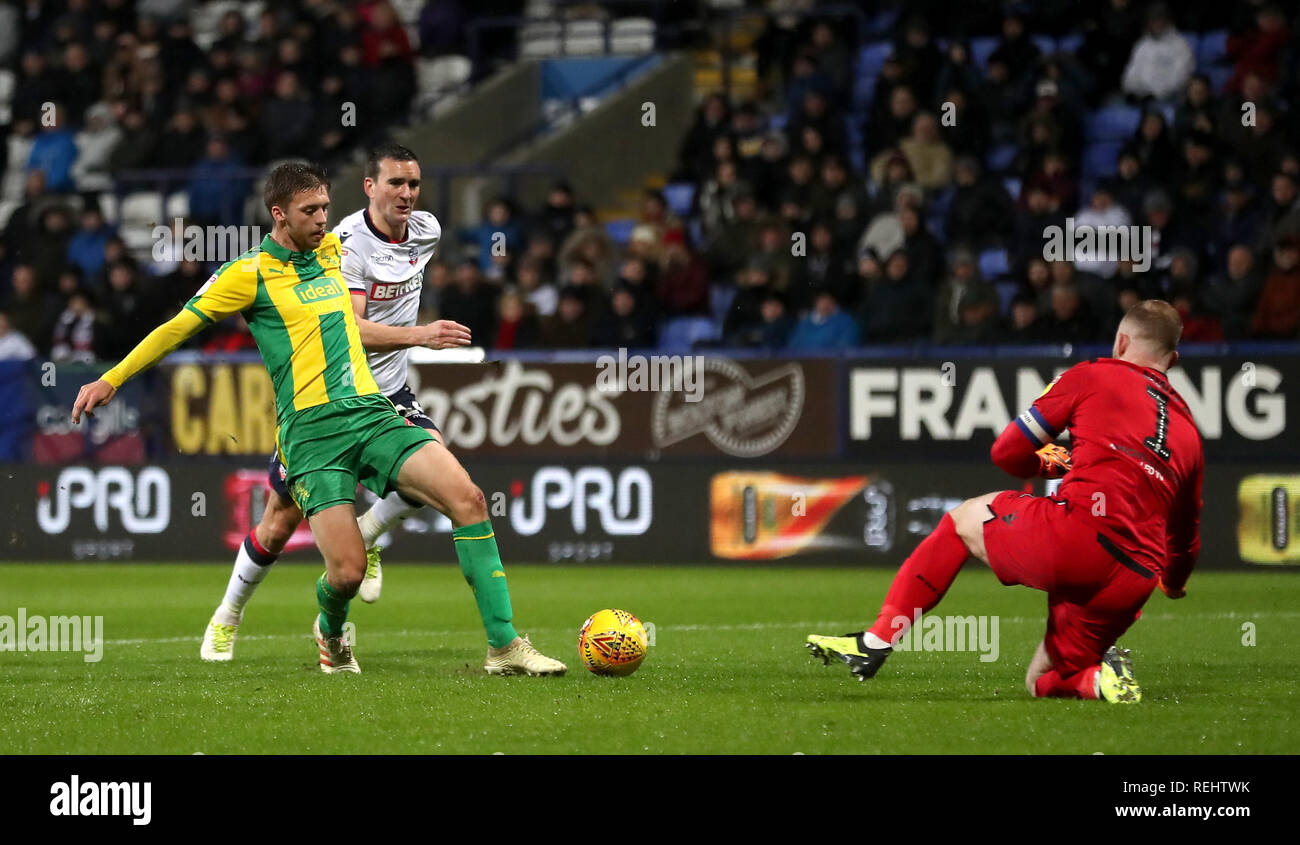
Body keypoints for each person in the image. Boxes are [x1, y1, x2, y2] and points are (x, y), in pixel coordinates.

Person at [72, 158, 566, 677]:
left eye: (327, 207)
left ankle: (504, 646)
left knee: (466, 498)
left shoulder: (334, 249)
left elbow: (375, 232)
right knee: (346, 571)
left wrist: (398, 202)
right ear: (279, 214)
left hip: (371, 411)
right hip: (312, 435)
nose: (323, 219)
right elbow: (175, 329)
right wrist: (112, 379)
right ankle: (327, 633)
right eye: (311, 211)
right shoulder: (247, 275)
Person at [807, 301, 1203, 703]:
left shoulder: (1092, 375)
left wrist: (1056, 463)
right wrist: (1171, 584)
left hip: (1078, 539)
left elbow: (1007, 454)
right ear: (1172, 359)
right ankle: (1101, 681)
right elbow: (1186, 536)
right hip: (1132, 578)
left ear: (1121, 341)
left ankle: (878, 640)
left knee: (962, 520)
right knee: (1042, 680)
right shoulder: (1189, 430)